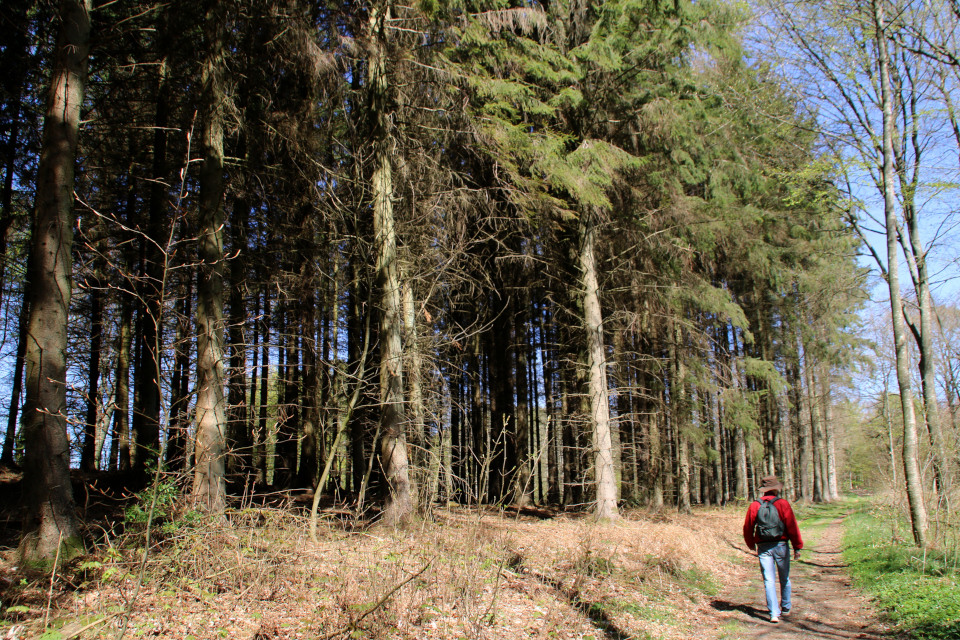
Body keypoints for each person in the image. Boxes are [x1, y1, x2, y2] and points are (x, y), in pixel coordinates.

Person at [742, 475, 803, 624]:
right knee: (784, 578)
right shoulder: (783, 504)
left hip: (763, 547)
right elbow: (792, 526)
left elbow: (748, 527)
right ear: (776, 489)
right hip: (781, 545)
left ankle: (773, 613)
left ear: (763, 490)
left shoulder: (755, 505)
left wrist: (751, 543)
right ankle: (786, 607)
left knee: (769, 580)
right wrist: (797, 546)